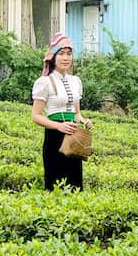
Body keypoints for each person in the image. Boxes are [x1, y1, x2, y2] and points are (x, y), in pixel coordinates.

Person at [31, 33, 93, 191]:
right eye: (61, 53)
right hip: (54, 136)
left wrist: (84, 121)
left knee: (74, 184)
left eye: (69, 54)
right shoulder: (45, 82)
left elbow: (77, 113)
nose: (65, 58)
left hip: (72, 136)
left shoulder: (75, 81)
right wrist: (58, 126)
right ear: (53, 57)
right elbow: (36, 116)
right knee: (55, 184)